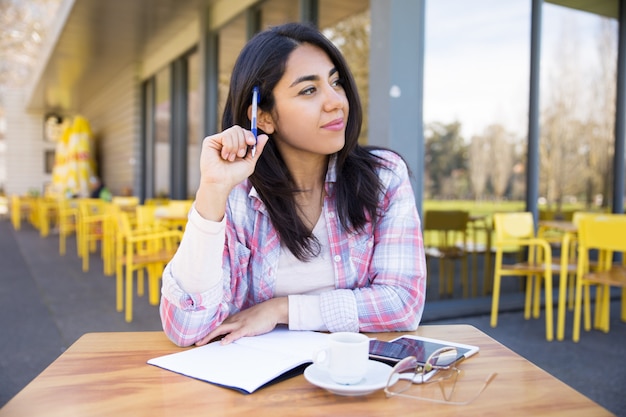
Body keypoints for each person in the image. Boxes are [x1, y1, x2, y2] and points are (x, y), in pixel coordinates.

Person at [160, 22, 426, 347]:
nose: (336, 102)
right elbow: (186, 329)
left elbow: (403, 303)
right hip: (257, 384)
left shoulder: (383, 176)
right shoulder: (238, 194)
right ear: (264, 117)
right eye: (309, 90)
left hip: (353, 378)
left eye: (336, 82)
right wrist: (213, 190)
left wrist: (282, 309)